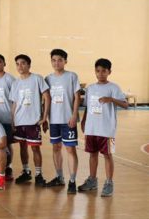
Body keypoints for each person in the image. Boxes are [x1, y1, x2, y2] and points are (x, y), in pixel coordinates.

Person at [79, 58, 128, 197]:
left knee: (107, 155)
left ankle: (109, 183)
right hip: (91, 128)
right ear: (95, 71)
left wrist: (111, 99)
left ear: (109, 72)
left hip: (106, 130)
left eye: (104, 71)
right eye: (98, 71)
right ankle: (92, 180)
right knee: (92, 154)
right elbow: (88, 107)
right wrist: (83, 121)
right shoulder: (91, 88)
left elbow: (126, 105)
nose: (100, 74)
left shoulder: (114, 88)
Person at [10, 54, 50, 186]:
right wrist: (12, 120)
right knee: (22, 147)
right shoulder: (16, 83)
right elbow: (14, 104)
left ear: (29, 65)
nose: (20, 66)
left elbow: (47, 97)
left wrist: (44, 117)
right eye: (17, 64)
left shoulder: (37, 78)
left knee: (35, 148)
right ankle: (26, 171)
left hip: (33, 121)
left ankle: (38, 174)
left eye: (23, 63)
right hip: (19, 121)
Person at [44, 49, 81, 193]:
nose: (56, 63)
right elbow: (46, 100)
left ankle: (72, 180)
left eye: (59, 60)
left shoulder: (71, 76)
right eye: (53, 60)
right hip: (54, 120)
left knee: (70, 149)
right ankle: (59, 177)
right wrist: (45, 118)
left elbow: (77, 97)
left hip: (67, 120)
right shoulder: (48, 78)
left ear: (65, 61)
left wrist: (74, 115)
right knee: (56, 148)